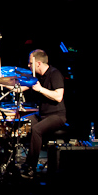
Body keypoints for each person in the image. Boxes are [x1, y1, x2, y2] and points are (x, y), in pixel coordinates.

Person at [20, 49, 66, 179]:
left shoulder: (54, 74)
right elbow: (21, 87)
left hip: (57, 116)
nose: (28, 66)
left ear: (38, 63)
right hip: (43, 115)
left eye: (30, 63)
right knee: (21, 121)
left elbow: (58, 96)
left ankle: (31, 168)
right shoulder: (38, 76)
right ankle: (12, 162)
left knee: (36, 129)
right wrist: (2, 82)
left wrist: (41, 89)